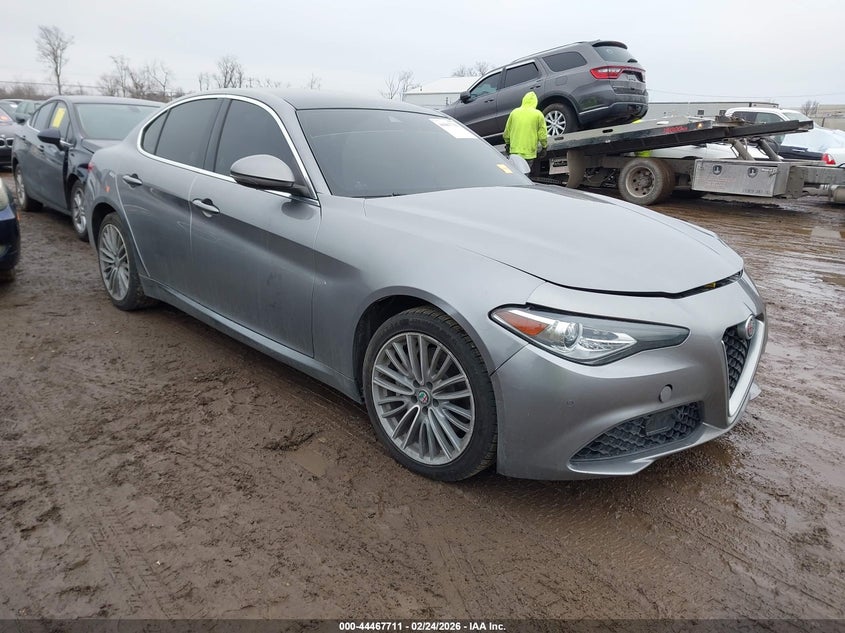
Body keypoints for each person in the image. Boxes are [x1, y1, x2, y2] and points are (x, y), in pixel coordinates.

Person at [503, 91, 548, 178]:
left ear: (523, 100)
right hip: (529, 153)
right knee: (525, 176)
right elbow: (542, 134)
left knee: (515, 176)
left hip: (514, 151)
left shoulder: (514, 112)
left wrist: (507, 144)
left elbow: (507, 132)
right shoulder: (538, 114)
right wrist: (544, 147)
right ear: (535, 102)